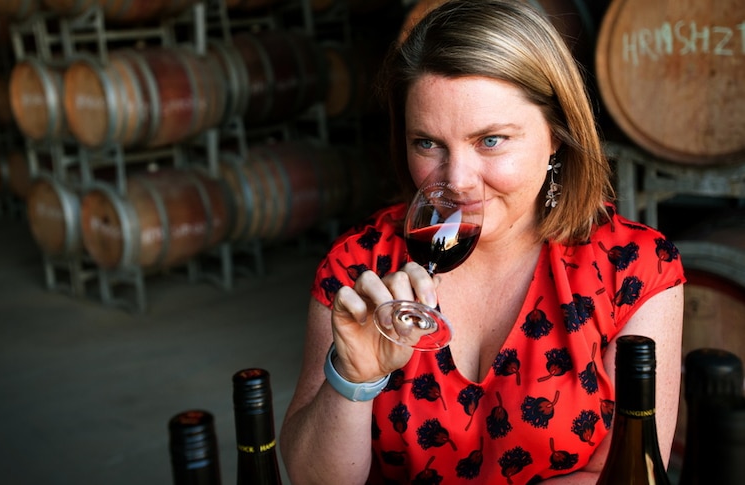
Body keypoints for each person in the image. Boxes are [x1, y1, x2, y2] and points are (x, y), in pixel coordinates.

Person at [279, 0, 686, 483]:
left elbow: (628, 476)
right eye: (428, 143)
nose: (458, 181)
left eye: (490, 140)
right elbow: (312, 478)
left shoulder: (634, 269)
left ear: (557, 134)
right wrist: (353, 380)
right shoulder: (359, 267)